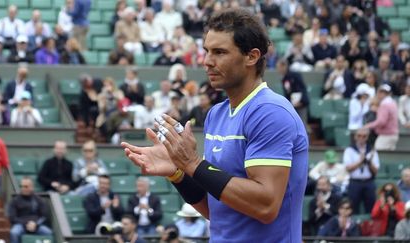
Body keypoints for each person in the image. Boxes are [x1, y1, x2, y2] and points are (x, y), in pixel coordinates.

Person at [122, 8, 309, 242]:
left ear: (251, 56)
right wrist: (179, 172)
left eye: (219, 52)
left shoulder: (271, 113)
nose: (207, 61)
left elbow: (265, 206)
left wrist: (193, 164)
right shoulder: (216, 114)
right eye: (206, 51)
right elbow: (219, 209)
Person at [343, 128, 380, 214]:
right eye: (359, 136)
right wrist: (360, 161)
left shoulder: (372, 150)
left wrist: (369, 162)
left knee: (371, 207)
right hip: (355, 182)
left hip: (369, 182)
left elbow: (375, 171)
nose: (361, 138)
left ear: (367, 137)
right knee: (353, 206)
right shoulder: (349, 150)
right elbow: (348, 168)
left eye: (364, 136)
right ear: (355, 137)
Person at [8, 177, 53, 243]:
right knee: (14, 233)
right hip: (21, 225)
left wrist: (36, 224)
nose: (23, 188)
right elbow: (12, 218)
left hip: (36, 225)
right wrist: (26, 223)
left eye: (26, 186)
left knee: (48, 232)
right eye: (21, 186)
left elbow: (44, 216)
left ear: (31, 187)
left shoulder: (38, 199)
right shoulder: (15, 201)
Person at [364, 84, 399, 151]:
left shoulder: (385, 104)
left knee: (378, 155)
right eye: (380, 92)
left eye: (383, 92)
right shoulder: (392, 103)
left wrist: (368, 126)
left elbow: (381, 121)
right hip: (392, 135)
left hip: (386, 136)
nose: (380, 94)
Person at [276, 59, 309, 126]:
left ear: (284, 66)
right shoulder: (284, 79)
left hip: (301, 104)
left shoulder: (295, 75)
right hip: (292, 105)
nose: (278, 70)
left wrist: (300, 101)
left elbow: (301, 89)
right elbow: (287, 92)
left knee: (302, 124)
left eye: (278, 67)